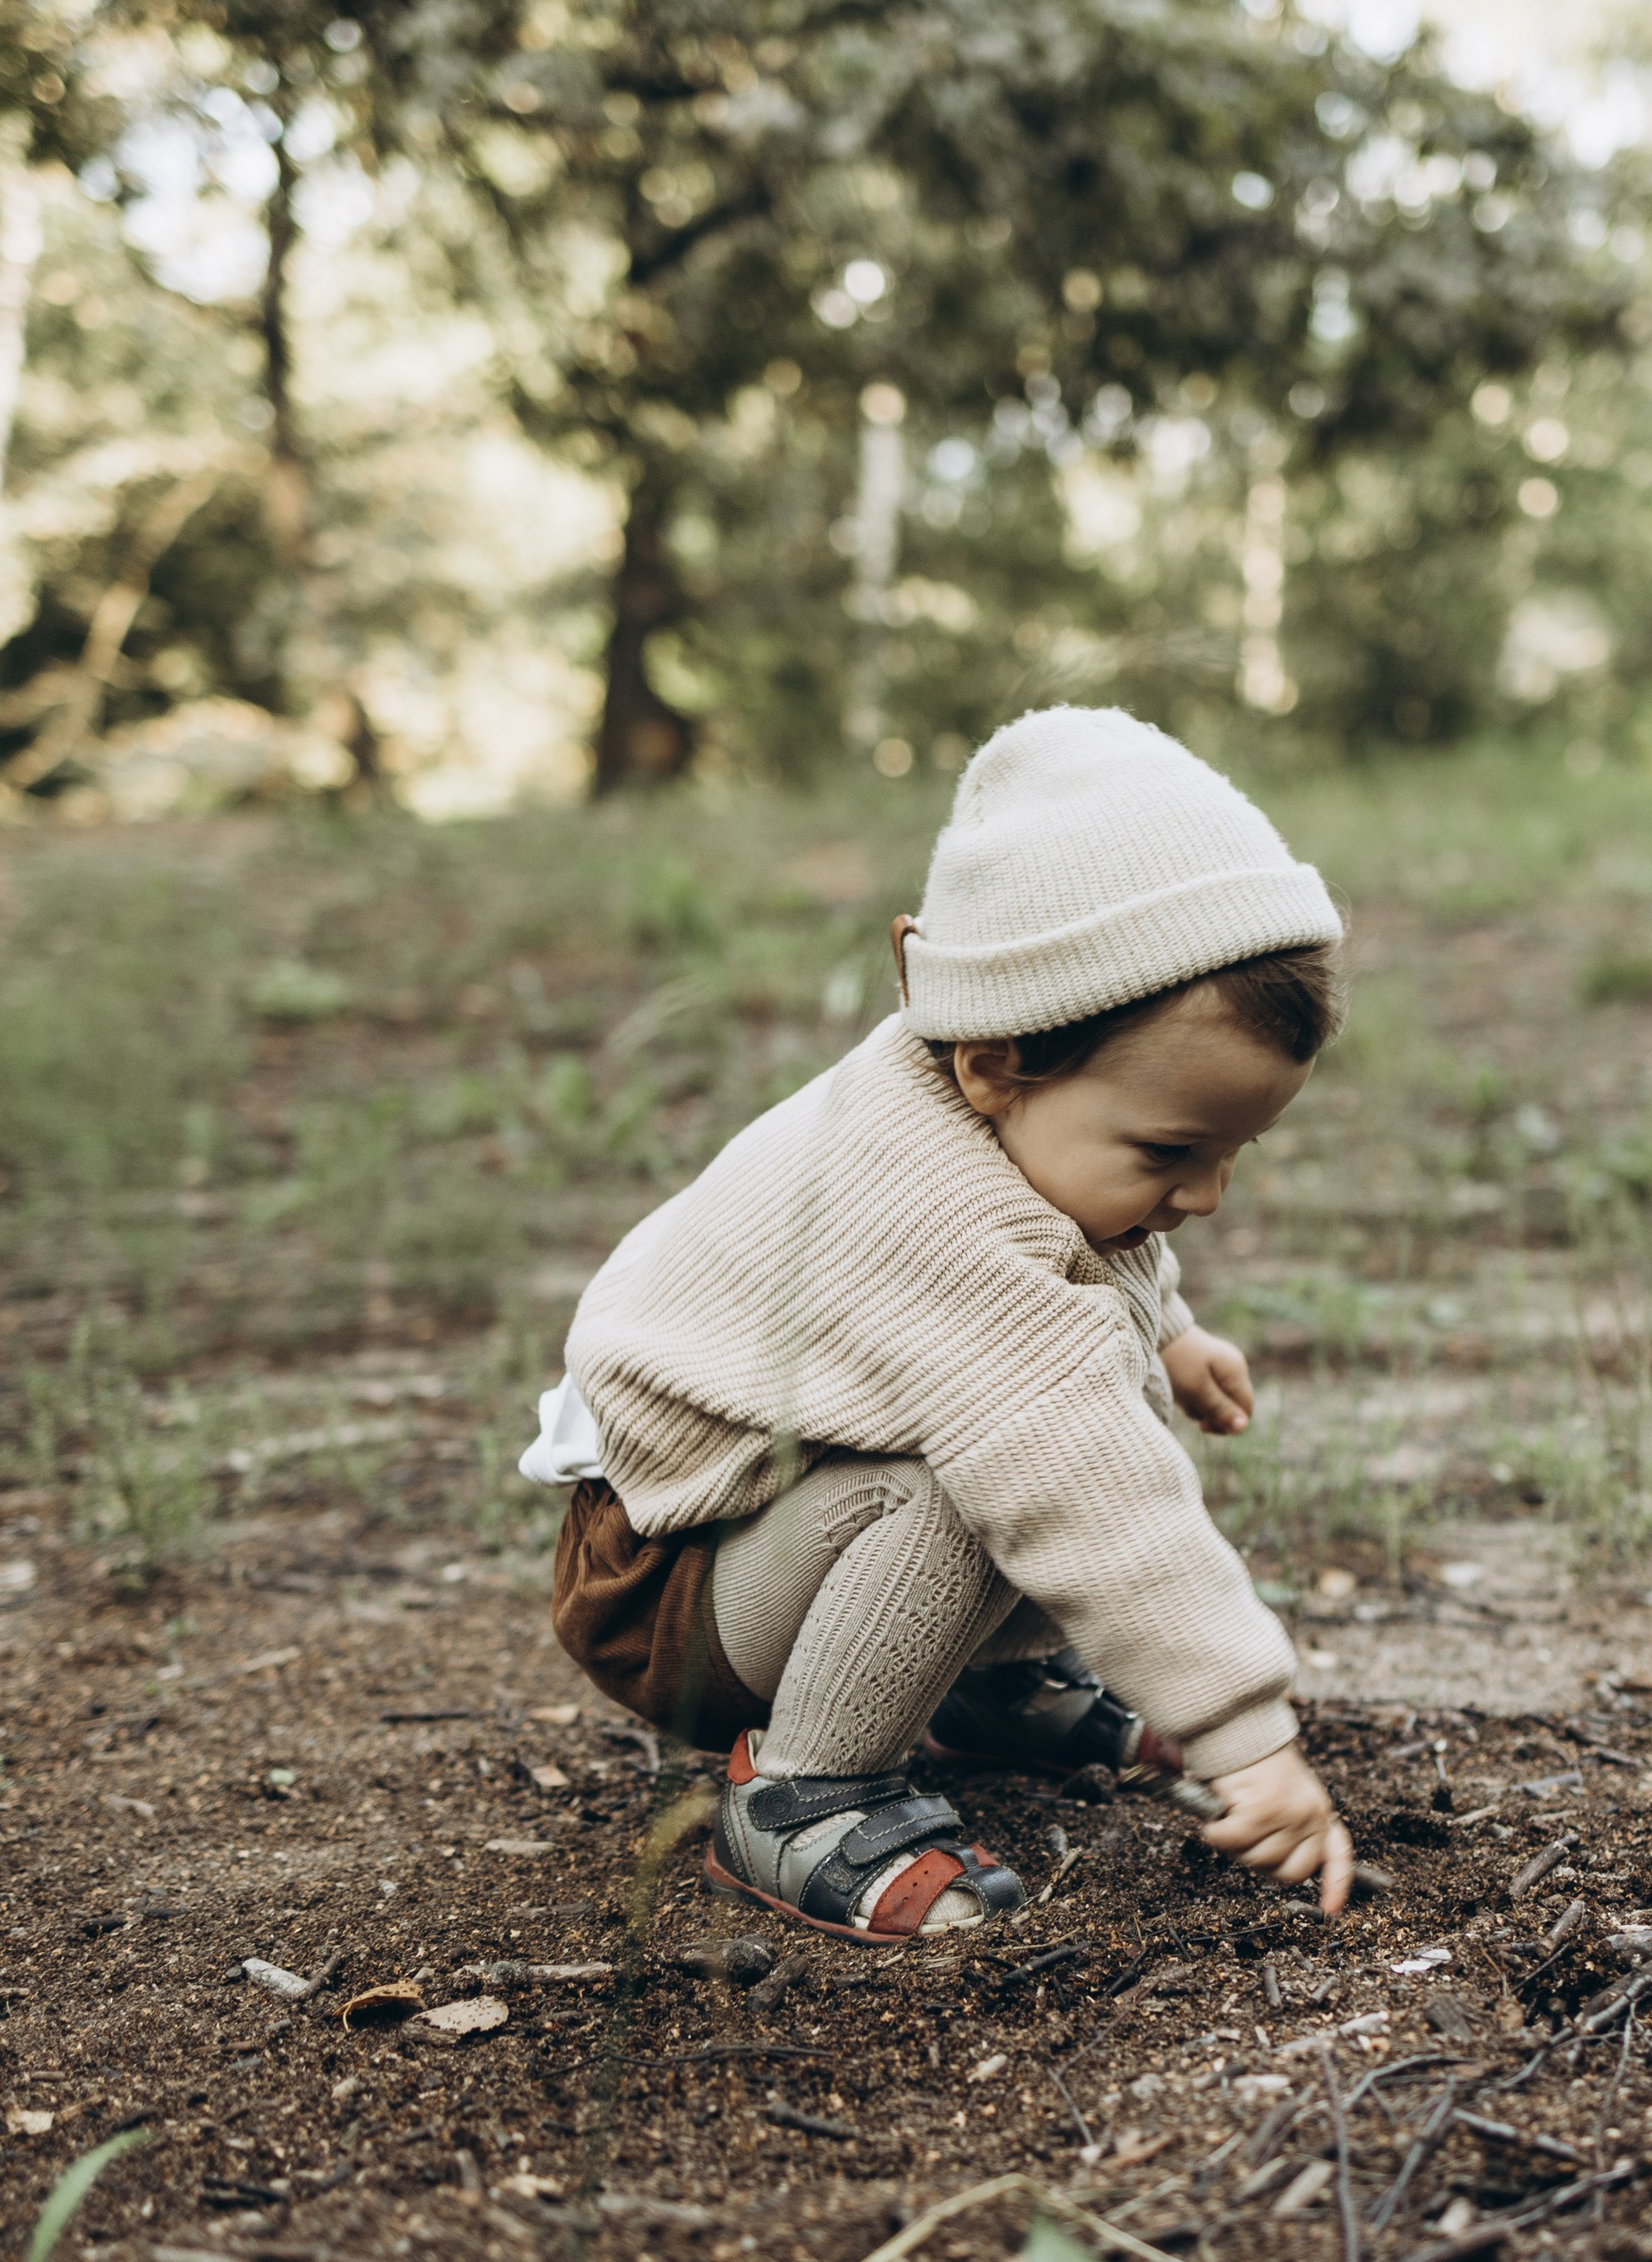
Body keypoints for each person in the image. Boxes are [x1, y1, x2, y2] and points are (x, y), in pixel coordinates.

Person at [521, 705, 1355, 1939]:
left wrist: (1165, 1328)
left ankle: (989, 1692)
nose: (1205, 1196)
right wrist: (1243, 1731)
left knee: (1030, 1417)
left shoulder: (995, 1094)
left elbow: (1090, 1239)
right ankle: (806, 1791)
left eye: (1235, 1151)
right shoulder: (926, 1201)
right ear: (994, 1063)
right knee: (1000, 1469)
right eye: (1174, 1150)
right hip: (666, 1585)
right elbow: (1085, 1483)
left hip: (759, 1521)